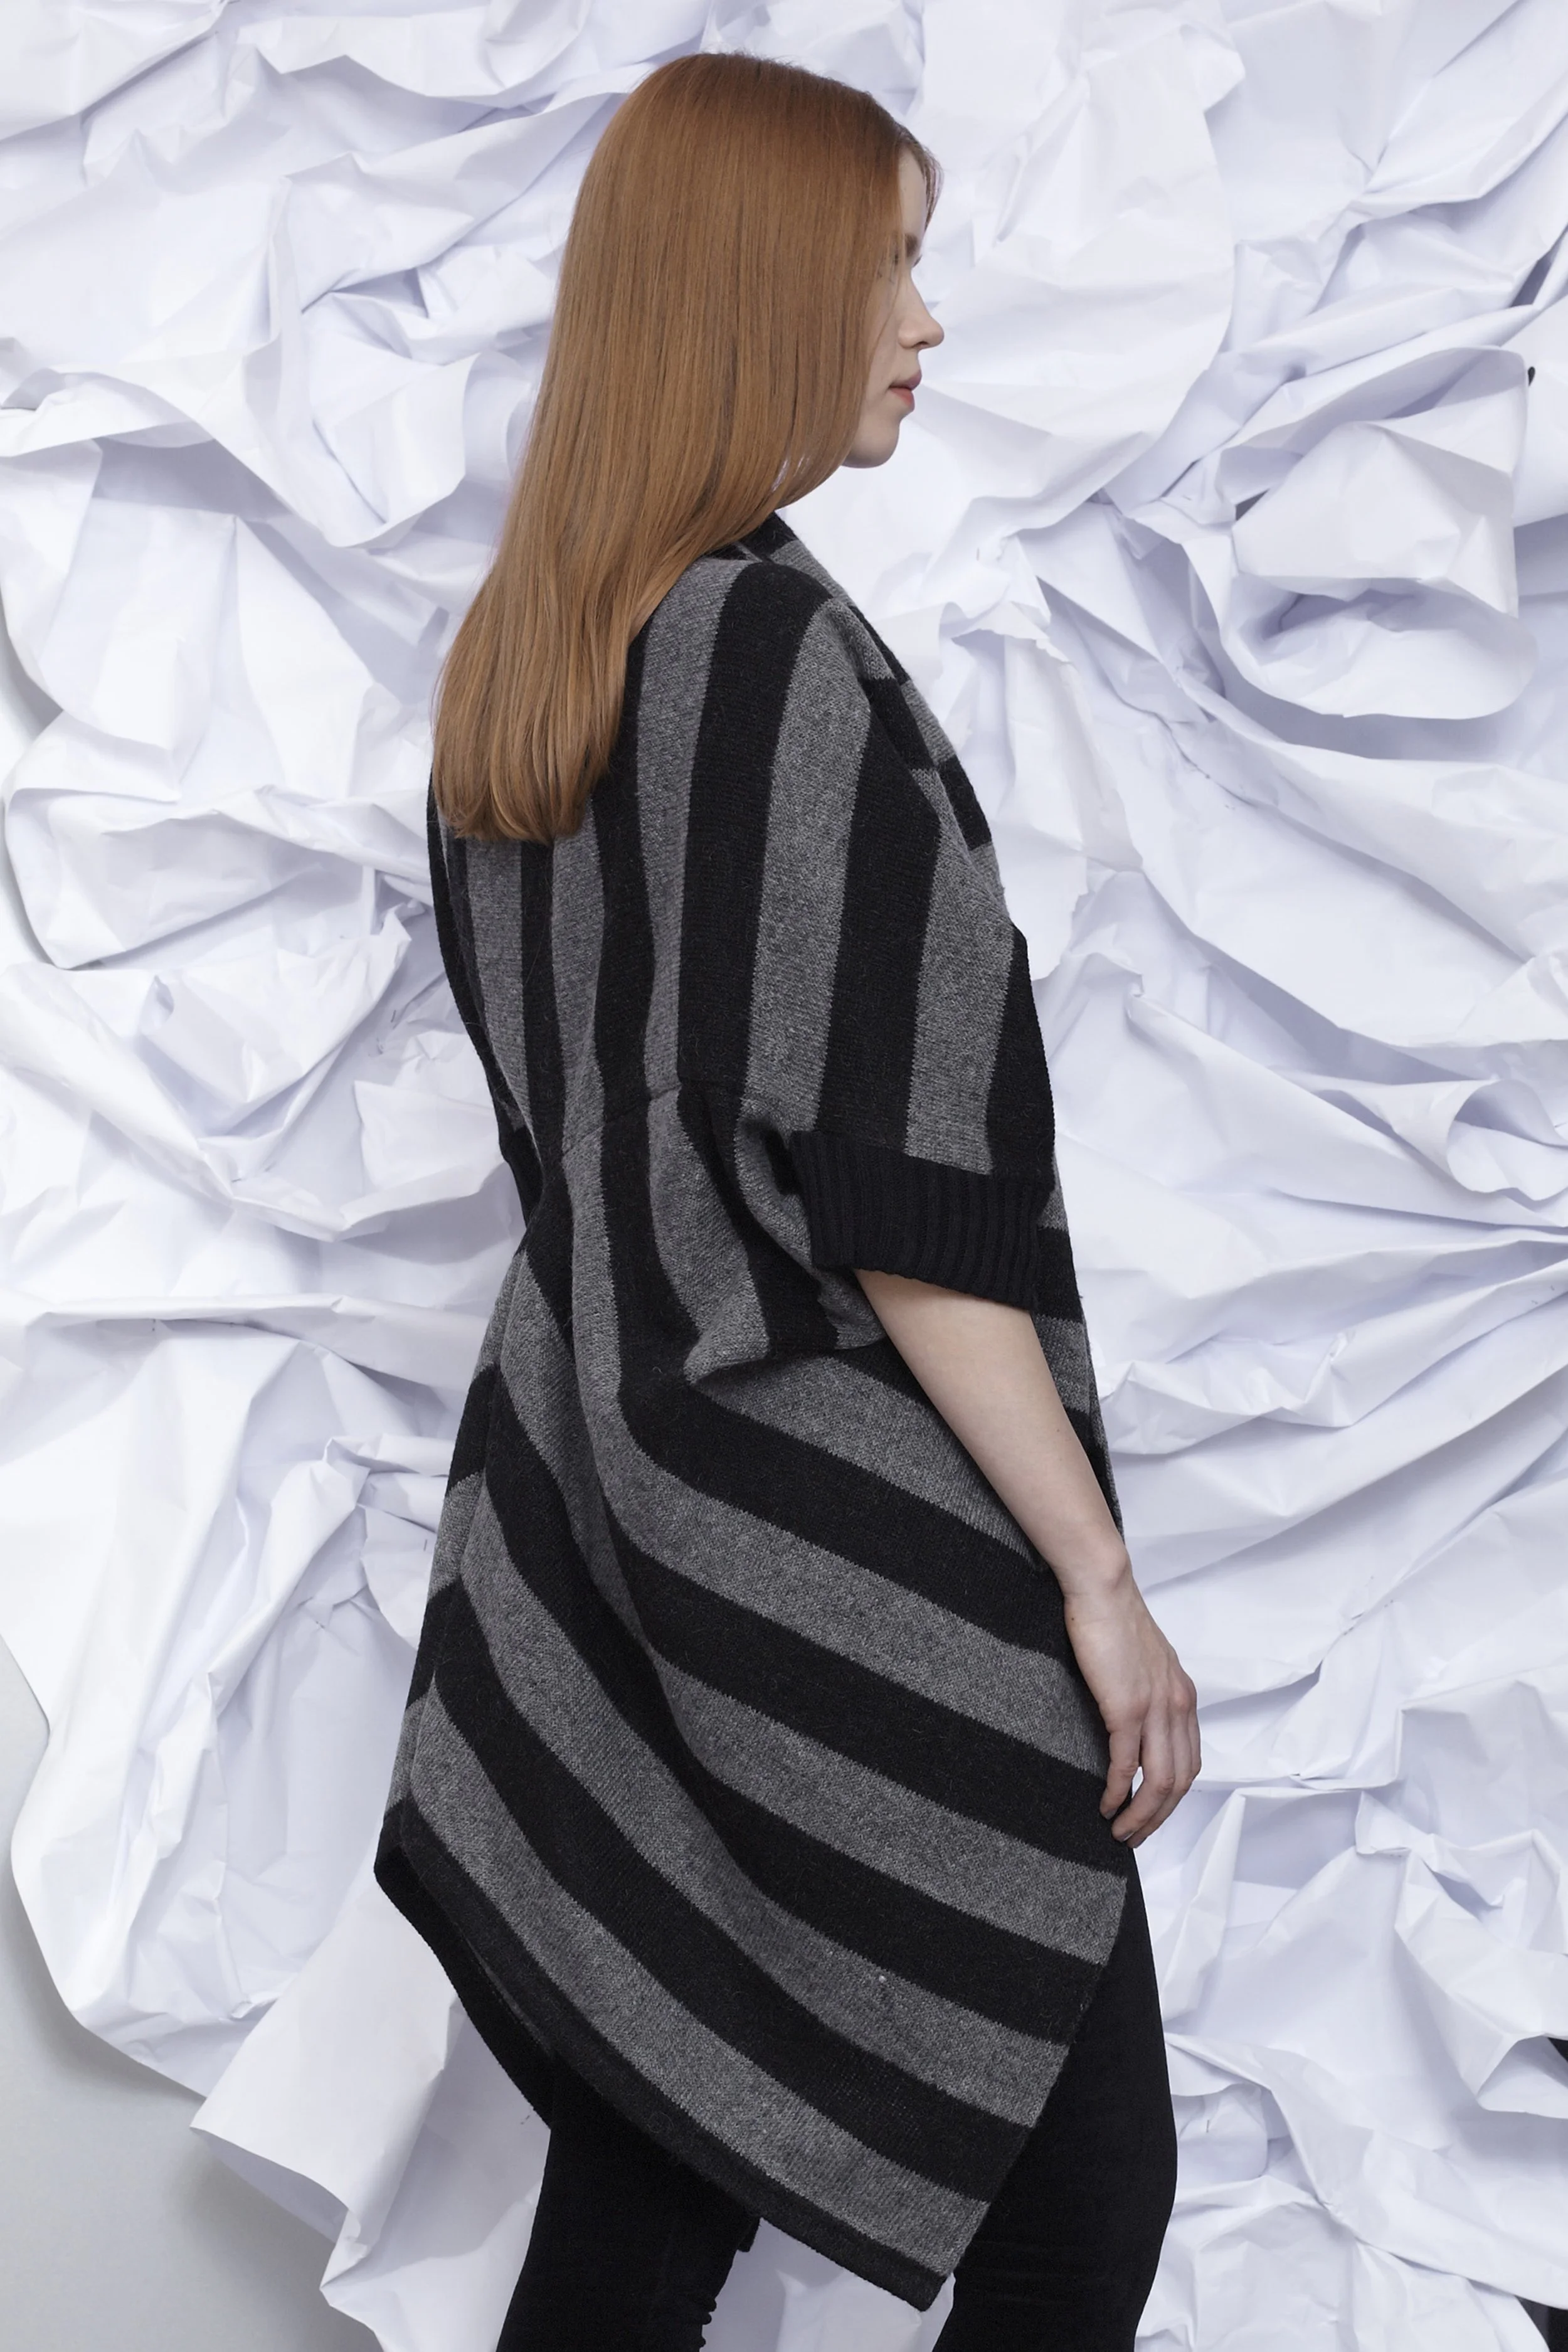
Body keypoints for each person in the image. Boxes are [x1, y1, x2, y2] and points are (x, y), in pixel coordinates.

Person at [374, 50, 1199, 2352]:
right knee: (1075, 2196)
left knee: (656, 2180)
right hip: (843, 1538)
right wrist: (1095, 1579)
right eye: (888, 263)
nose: (923, 319)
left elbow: (590, 1155)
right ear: (756, 286)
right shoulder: (765, 655)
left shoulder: (534, 666)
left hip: (621, 1518)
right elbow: (896, 1200)